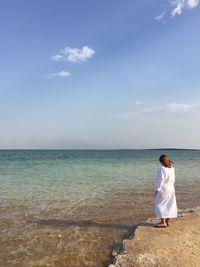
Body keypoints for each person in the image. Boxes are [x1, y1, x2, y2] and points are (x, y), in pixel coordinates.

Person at [154, 154, 177, 228]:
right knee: (170, 203)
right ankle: (168, 221)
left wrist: (157, 189)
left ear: (161, 162)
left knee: (159, 203)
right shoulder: (172, 168)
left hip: (164, 188)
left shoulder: (162, 168)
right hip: (171, 188)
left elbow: (160, 180)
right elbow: (173, 179)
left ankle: (163, 222)